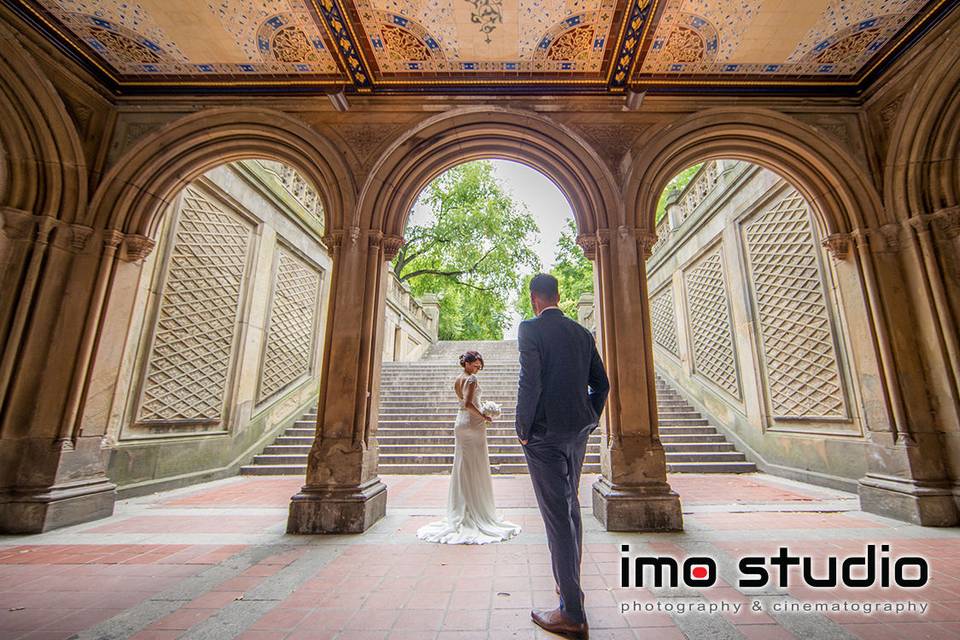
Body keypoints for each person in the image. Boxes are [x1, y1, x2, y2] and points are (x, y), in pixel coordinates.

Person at [516, 274, 609, 640]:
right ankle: (568, 585)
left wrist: (522, 427)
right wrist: (590, 417)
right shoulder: (582, 333)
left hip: (543, 434)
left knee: (557, 516)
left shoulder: (530, 329)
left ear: (534, 299)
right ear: (558, 295)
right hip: (577, 432)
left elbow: (531, 381)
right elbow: (602, 384)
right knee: (571, 508)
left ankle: (571, 611)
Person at [416, 350, 521, 545]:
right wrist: (485, 416)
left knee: (463, 465)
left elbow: (462, 402)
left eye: (479, 366)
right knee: (475, 465)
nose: (477, 369)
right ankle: (474, 510)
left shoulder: (458, 378)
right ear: (467, 363)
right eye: (475, 365)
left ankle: (462, 507)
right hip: (472, 424)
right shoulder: (471, 380)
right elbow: (468, 404)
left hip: (460, 423)